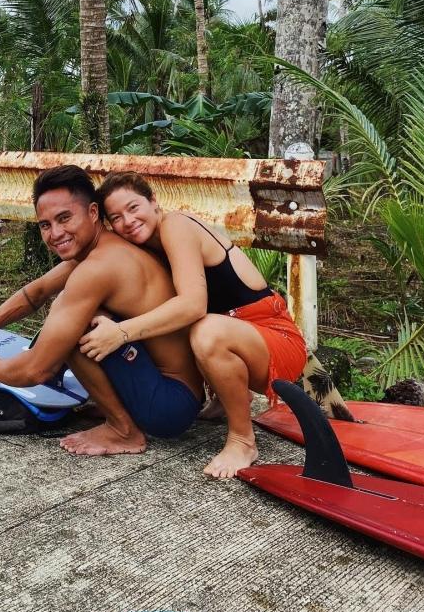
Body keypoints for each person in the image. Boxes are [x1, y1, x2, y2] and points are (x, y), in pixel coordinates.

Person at [0, 164, 204, 456]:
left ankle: (123, 430)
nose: (55, 233)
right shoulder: (102, 248)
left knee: (73, 324)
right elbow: (36, 292)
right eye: (45, 225)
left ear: (93, 213)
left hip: (169, 405)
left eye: (65, 218)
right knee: (74, 317)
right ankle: (120, 406)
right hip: (179, 393)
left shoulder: (97, 268)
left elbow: (37, 369)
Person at [78, 171, 307, 479]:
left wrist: (120, 332)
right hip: (238, 334)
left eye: (133, 208)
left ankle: (242, 440)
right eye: (116, 218)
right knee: (196, 327)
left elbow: (192, 305)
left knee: (205, 329)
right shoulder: (147, 247)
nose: (127, 221)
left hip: (275, 338)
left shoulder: (176, 226)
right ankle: (223, 402)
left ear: (154, 202)